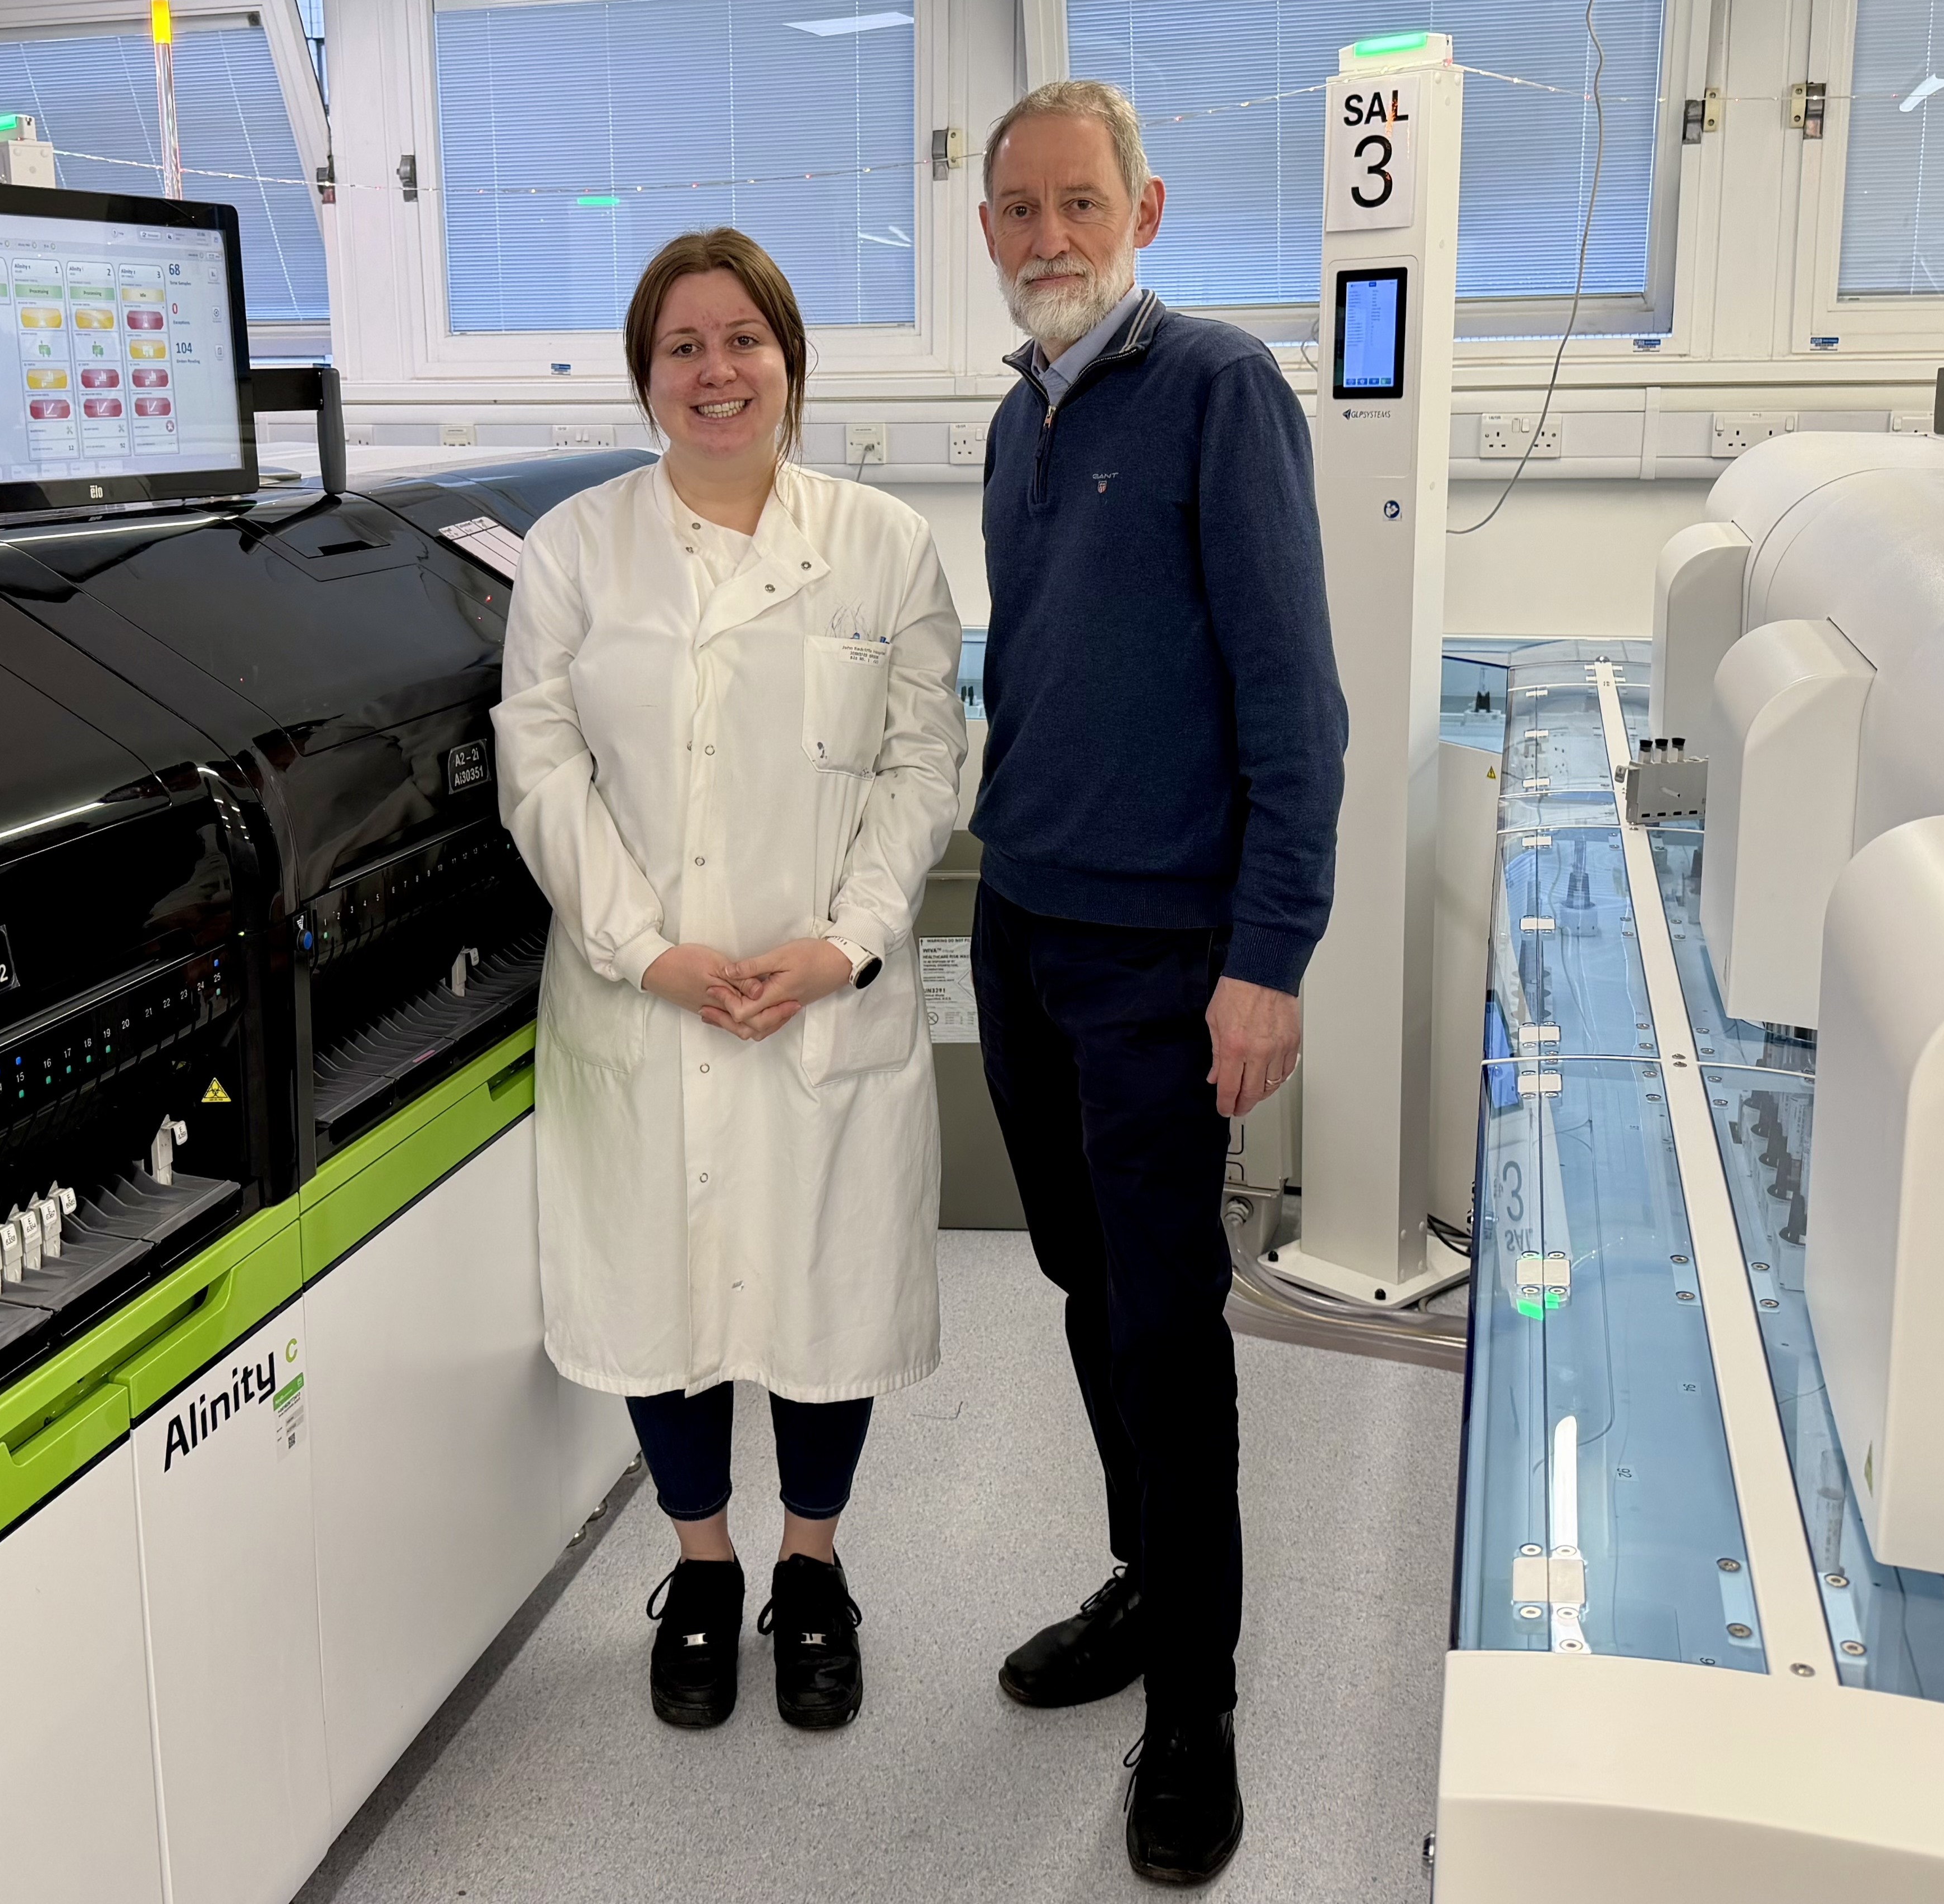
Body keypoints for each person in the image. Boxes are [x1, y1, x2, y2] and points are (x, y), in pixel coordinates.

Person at [493, 229, 967, 1733]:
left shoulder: (884, 546)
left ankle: (809, 1569)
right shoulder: (577, 551)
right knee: (665, 1292)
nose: (717, 371)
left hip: (826, 994)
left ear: (789, 359)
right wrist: (654, 951)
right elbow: (542, 768)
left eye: (743, 339)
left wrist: (848, 941)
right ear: (648, 378)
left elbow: (923, 761)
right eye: (685, 347)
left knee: (825, 1290)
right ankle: (700, 1568)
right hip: (649, 999)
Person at [968, 80, 1348, 1884]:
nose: (1052, 236)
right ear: (988, 233)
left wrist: (1265, 959)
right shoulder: (1011, 423)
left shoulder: (1216, 392)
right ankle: (1147, 1577)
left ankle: (1193, 1700)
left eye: (1081, 204)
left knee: (1164, 1318)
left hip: (1158, 956)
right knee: (1074, 1280)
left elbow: (1297, 707)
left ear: (1147, 211)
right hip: (1025, 928)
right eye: (1020, 210)